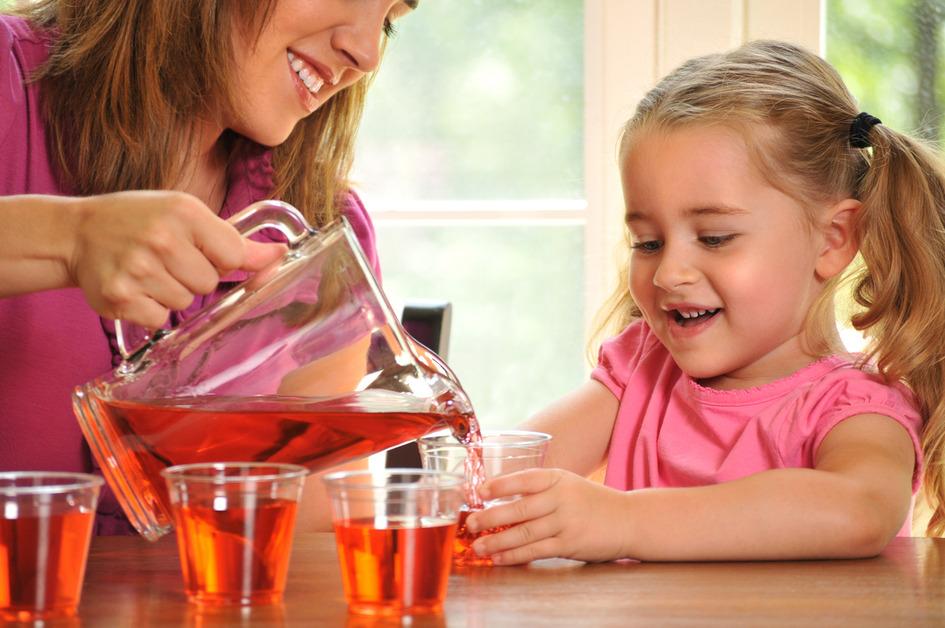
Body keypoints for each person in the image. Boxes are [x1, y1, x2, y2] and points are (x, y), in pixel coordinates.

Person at [465, 39, 945, 563]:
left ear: (831, 239)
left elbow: (859, 512)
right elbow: (506, 475)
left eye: (715, 237)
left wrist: (624, 520)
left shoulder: (854, 408)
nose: (669, 272)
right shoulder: (641, 368)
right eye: (648, 243)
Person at [0, 0, 417, 534]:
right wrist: (69, 239)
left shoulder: (320, 230)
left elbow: (315, 549)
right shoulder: (12, 81)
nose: (365, 53)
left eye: (387, 21)